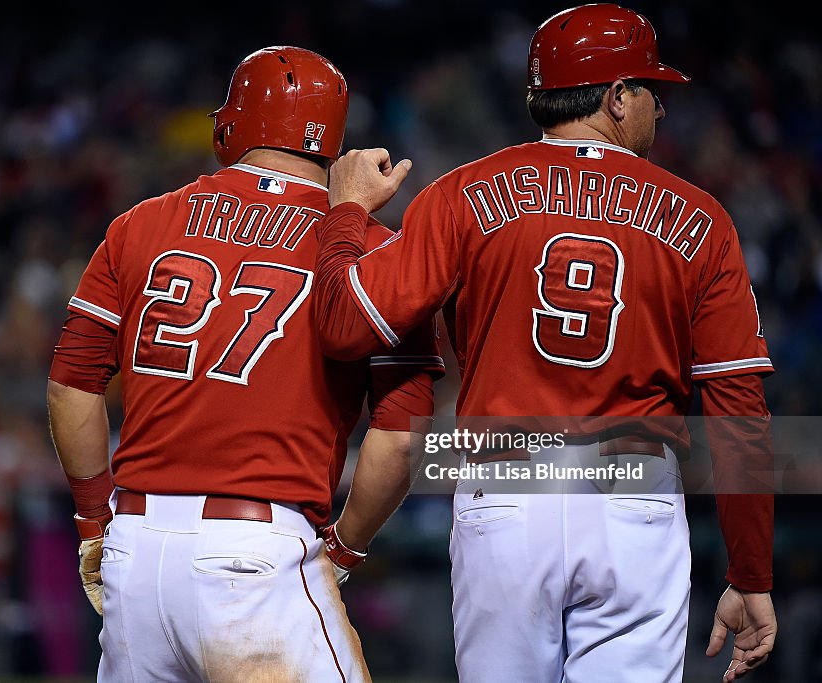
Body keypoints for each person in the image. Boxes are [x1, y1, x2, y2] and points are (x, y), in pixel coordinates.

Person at [311, 4, 777, 682]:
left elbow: (346, 324)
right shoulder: (701, 218)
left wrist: (347, 213)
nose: (662, 109)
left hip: (504, 491)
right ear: (616, 97)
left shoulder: (461, 192)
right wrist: (751, 571)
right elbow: (738, 407)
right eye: (651, 91)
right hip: (632, 500)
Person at [46, 45, 444, 682]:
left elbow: (72, 384)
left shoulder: (139, 224)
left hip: (136, 554)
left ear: (233, 121)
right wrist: (344, 547)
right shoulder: (371, 250)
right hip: (257, 552)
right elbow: (398, 440)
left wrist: (95, 519)